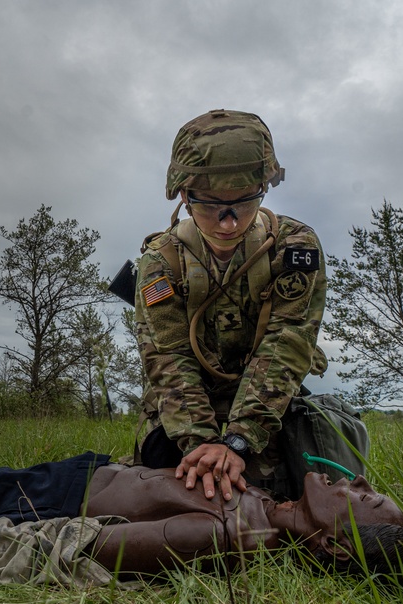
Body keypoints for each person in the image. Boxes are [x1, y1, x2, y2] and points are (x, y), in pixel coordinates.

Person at [0, 454, 403, 586]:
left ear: (334, 549)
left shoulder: (223, 537)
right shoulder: (272, 503)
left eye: (367, 503)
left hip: (51, 502)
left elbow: (87, 547)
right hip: (80, 474)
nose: (364, 485)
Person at [133, 109, 329, 502]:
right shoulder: (161, 261)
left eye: (243, 204)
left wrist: (239, 441)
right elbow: (168, 357)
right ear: (185, 197)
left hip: (266, 402)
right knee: (170, 497)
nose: (228, 223)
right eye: (211, 206)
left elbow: (287, 344)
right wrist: (199, 443)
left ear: (264, 189)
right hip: (186, 409)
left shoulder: (294, 248)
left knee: (292, 496)